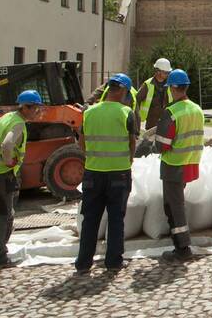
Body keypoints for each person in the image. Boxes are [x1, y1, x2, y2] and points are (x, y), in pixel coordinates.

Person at [74, 74, 138, 275]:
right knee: (116, 218)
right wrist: (127, 160)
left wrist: (92, 158)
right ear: (123, 91)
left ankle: (83, 263)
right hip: (118, 172)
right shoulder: (126, 112)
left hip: (93, 173)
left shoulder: (89, 113)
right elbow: (132, 143)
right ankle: (113, 262)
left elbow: (81, 142)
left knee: (90, 218)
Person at [0, 90, 44, 267]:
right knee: (4, 215)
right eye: (37, 108)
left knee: (2, 211)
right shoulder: (18, 124)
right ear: (28, 108)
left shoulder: (10, 116)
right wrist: (8, 160)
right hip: (1, 175)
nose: (39, 112)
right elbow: (7, 144)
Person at [155, 68, 204, 262]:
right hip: (190, 162)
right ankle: (181, 244)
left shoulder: (171, 112)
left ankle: (183, 248)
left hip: (173, 164)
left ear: (173, 89)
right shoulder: (196, 109)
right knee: (177, 204)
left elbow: (162, 145)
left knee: (174, 207)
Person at [135, 58, 173, 156]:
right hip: (152, 120)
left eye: (167, 73)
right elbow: (136, 100)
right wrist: (136, 116)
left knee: (162, 145)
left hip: (165, 120)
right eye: (166, 73)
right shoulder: (148, 84)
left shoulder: (169, 85)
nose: (167, 75)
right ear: (159, 72)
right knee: (149, 146)